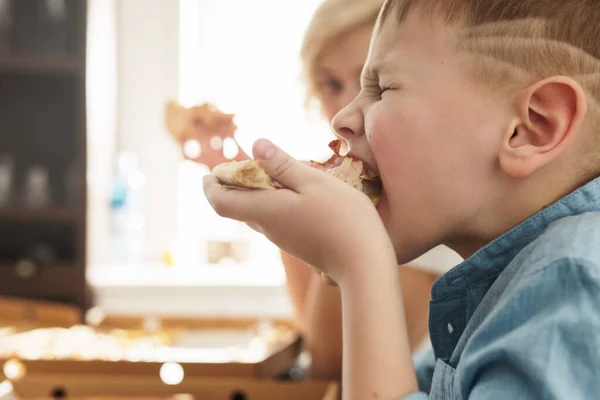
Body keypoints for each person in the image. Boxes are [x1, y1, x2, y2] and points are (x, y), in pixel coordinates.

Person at [203, 0, 600, 398]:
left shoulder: (572, 284)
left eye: (384, 88)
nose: (343, 118)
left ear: (531, 127)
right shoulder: (497, 291)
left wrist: (360, 263)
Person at [178, 0, 462, 380]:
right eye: (331, 83)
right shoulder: (365, 188)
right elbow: (313, 330)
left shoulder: (415, 201)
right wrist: (262, 195)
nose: (345, 107)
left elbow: (331, 363)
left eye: (376, 83)